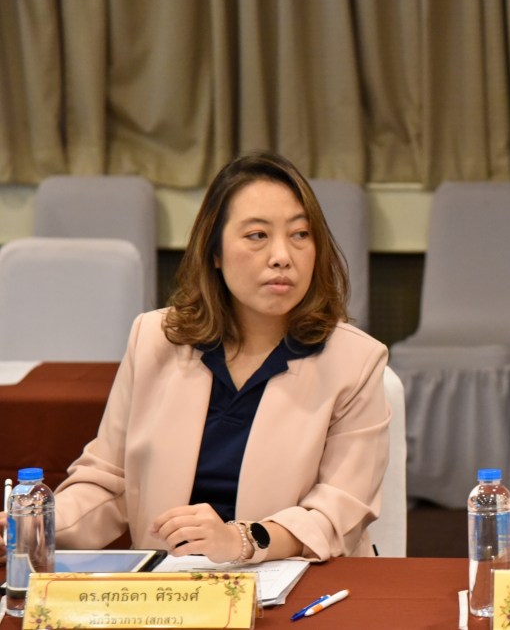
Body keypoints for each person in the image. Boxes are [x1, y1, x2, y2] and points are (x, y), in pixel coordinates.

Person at [2, 152, 390, 564]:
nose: (282, 256)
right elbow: (110, 482)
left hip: (297, 579)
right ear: (214, 252)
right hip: (172, 585)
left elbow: (337, 511)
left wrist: (241, 540)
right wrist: (31, 526)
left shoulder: (354, 360)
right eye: (257, 235)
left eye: (300, 234)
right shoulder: (155, 339)